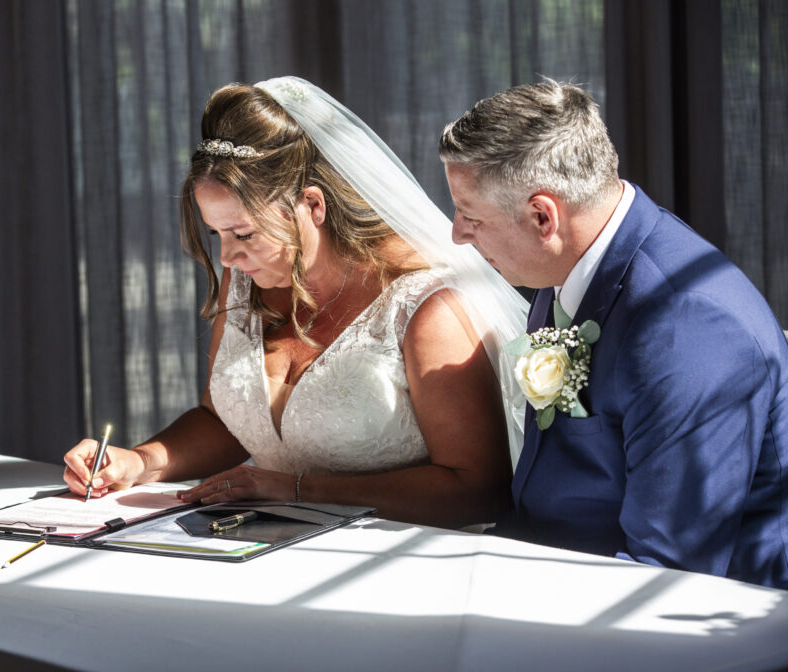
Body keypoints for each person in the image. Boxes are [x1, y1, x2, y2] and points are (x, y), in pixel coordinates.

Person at [64, 76, 529, 529]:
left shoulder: (424, 304)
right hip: (266, 548)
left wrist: (299, 491)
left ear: (312, 204)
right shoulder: (245, 280)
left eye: (243, 233)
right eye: (217, 233)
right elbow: (224, 422)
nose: (227, 256)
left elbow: (477, 488)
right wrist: (140, 461)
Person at [439, 79, 788, 588]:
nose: (457, 234)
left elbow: (669, 571)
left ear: (543, 216)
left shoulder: (687, 325)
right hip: (553, 574)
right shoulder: (563, 267)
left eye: (470, 216)